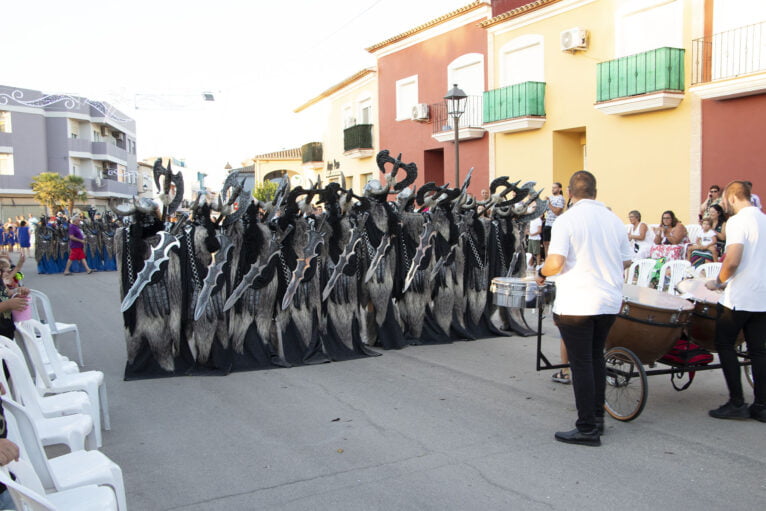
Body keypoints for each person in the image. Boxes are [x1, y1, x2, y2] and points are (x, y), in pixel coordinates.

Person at [537, 171, 633, 446]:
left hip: (577, 303)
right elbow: (626, 261)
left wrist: (542, 273)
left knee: (581, 365)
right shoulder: (613, 220)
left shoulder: (567, 220)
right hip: (608, 302)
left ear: (569, 192)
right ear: (595, 191)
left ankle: (587, 428)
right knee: (595, 359)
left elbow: (555, 263)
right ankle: (598, 421)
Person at [705, 181, 766, 423]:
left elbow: (732, 260)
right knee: (759, 351)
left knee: (725, 344)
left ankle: (737, 403)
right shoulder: (763, 219)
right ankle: (761, 406)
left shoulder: (738, 221)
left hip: (740, 297)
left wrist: (718, 282)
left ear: (731, 198)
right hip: (762, 298)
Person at [542, 182, 565, 261]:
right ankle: (547, 261)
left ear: (560, 189)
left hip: (556, 225)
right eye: (552, 188)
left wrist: (549, 204)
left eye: (555, 187)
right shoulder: (550, 197)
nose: (553, 189)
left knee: (555, 244)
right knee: (546, 243)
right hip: (548, 223)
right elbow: (545, 211)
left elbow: (557, 212)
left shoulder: (561, 198)